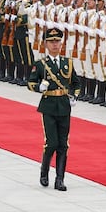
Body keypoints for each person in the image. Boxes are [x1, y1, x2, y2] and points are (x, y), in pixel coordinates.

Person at [27, 27, 81, 192]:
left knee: (63, 144)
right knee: (51, 143)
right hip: (49, 105)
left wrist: (73, 96)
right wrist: (39, 88)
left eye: (57, 41)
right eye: (51, 42)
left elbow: (76, 83)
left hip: (64, 106)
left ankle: (60, 179)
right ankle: (44, 172)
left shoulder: (68, 63)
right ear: (46, 44)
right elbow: (30, 83)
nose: (55, 45)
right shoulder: (41, 64)